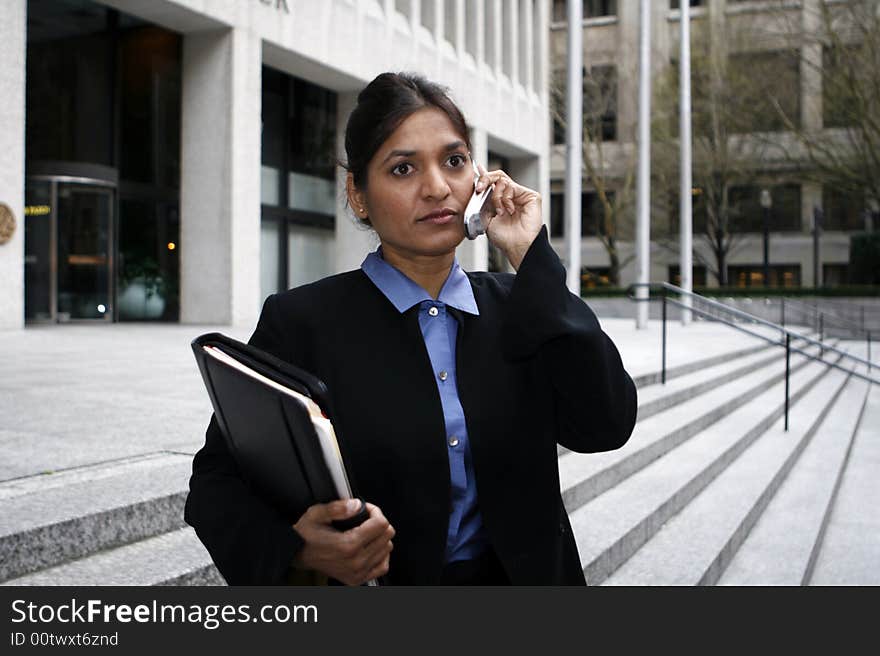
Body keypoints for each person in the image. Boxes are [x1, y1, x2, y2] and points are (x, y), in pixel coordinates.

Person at [185, 72, 638, 586]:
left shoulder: (525, 306)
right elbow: (216, 485)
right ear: (358, 195)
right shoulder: (302, 322)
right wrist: (296, 548)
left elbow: (606, 424)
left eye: (454, 160)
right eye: (403, 168)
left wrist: (532, 259)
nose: (438, 188)